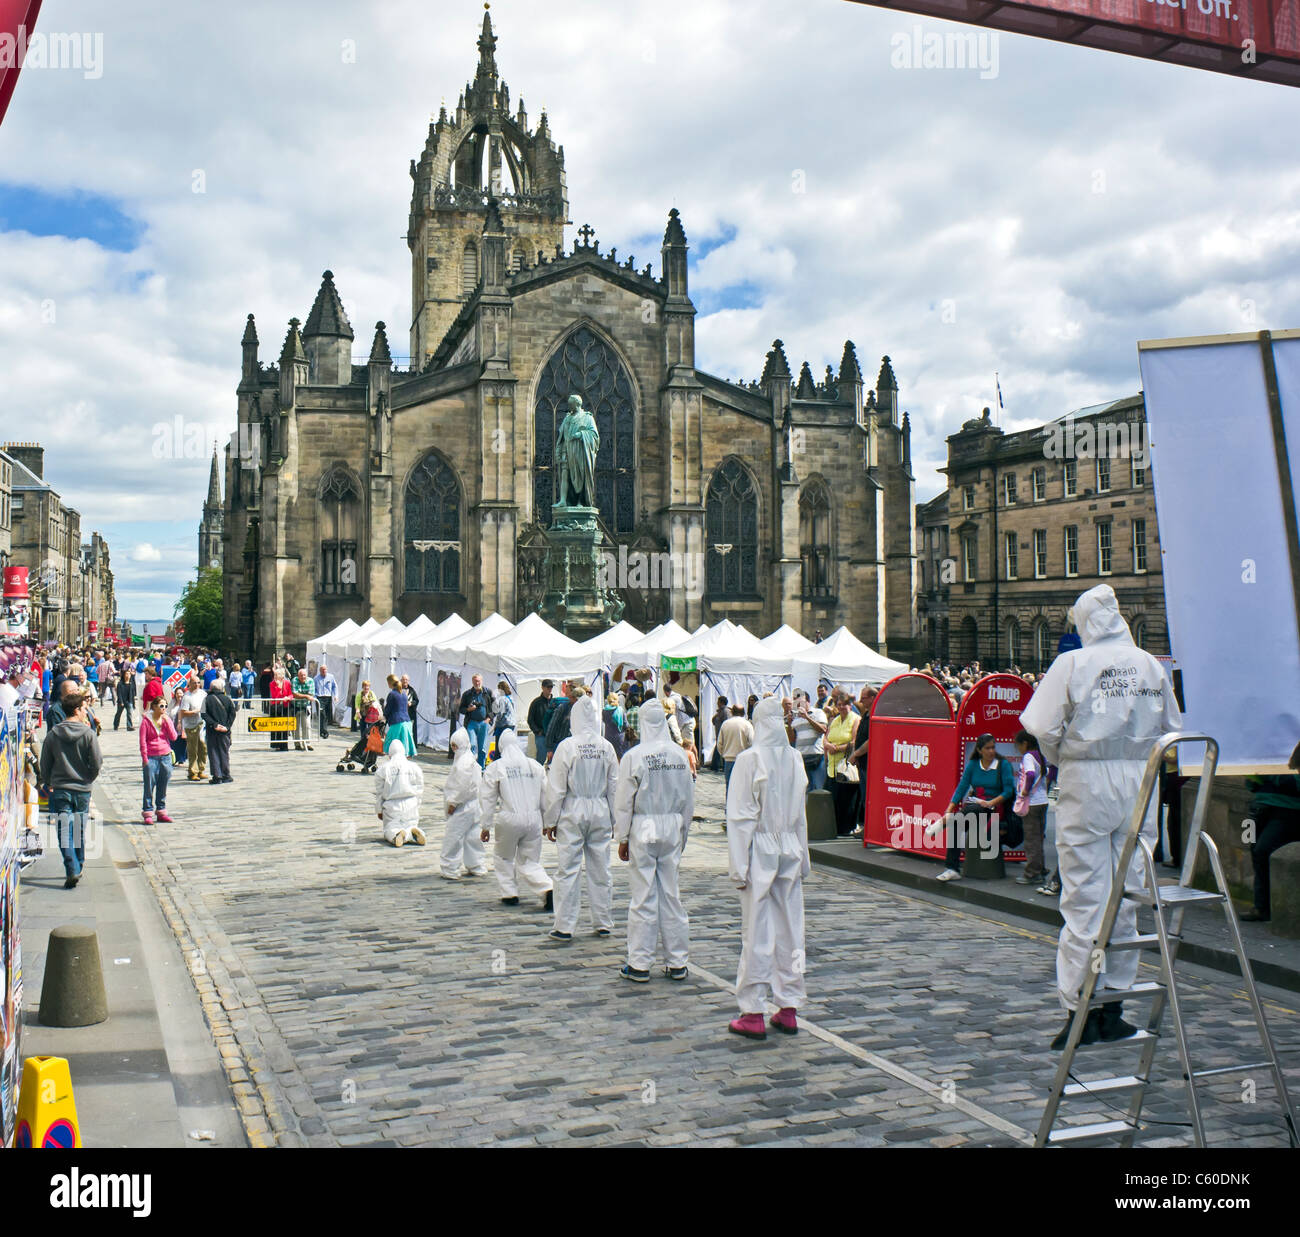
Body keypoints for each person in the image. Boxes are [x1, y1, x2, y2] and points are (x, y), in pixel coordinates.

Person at [1020, 583, 1182, 1049]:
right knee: (1127, 892)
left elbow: (1041, 727)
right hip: (1139, 779)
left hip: (1088, 778)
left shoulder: (1072, 663)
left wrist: (1064, 756)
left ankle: (1080, 1010)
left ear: (1087, 622)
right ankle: (1113, 1005)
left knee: (1085, 896)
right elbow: (1172, 728)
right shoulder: (1150, 663)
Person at [726, 696, 811, 1039]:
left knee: (757, 932)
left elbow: (740, 817)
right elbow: (801, 815)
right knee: (792, 929)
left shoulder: (749, 759)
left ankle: (753, 1009)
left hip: (760, 849)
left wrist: (738, 865)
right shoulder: (794, 757)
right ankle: (789, 1005)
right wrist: (804, 856)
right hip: (789, 845)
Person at [614, 699, 694, 983]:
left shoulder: (634, 756)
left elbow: (624, 801)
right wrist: (682, 833)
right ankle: (677, 961)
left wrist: (622, 836)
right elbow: (688, 799)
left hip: (644, 824)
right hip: (672, 823)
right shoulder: (679, 754)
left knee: (643, 895)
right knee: (671, 894)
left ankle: (639, 962)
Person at [543, 694, 618, 942]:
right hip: (599, 808)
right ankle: (603, 921)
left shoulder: (567, 746)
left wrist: (550, 820)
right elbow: (614, 786)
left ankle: (564, 925)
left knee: (568, 869)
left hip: (573, 809)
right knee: (601, 868)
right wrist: (616, 819)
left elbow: (556, 789)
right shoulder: (606, 747)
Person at [478, 729, 553, 909]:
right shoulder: (534, 766)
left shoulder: (496, 767)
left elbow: (487, 798)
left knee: (503, 857)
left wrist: (485, 826)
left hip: (509, 817)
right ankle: (547, 888)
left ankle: (509, 892)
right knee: (529, 861)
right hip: (534, 818)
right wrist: (547, 821)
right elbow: (546, 796)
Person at [38, 688, 102, 889]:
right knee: (79, 828)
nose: (86, 712)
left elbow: (45, 763)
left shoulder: (53, 734)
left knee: (64, 829)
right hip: (82, 788)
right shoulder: (88, 733)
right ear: (76, 710)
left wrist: (49, 782)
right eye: (84, 708)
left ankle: (72, 866)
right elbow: (97, 762)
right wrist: (88, 778)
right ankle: (78, 864)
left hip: (60, 788)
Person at [937, 733, 1014, 881]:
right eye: (987, 748)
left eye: (993, 747)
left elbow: (1008, 791)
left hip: (994, 807)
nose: (991, 751)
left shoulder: (1003, 765)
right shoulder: (973, 765)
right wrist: (948, 809)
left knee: (972, 810)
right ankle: (952, 868)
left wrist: (991, 803)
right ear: (979, 750)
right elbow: (962, 787)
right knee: (957, 823)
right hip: (974, 806)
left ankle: (944, 823)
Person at [1239, 741, 1300, 922]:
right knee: (1253, 849)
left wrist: (1269, 775)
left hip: (1285, 811)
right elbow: (1252, 784)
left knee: (1262, 850)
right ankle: (1261, 906)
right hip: (1258, 809)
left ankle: (1266, 906)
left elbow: (1293, 783)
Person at [440, 727, 489, 879]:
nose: (453, 748)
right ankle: (476, 865)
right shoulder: (469, 759)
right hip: (473, 805)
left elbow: (462, 785)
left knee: (453, 837)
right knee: (472, 837)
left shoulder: (463, 763)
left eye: (455, 745)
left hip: (463, 806)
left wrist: (453, 803)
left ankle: (450, 868)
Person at [1013, 729, 1050, 886]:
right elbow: (1050, 772)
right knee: (1039, 837)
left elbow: (1029, 774)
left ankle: (1032, 873)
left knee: (1031, 840)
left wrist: (1025, 790)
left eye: (1018, 745)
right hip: (1043, 801)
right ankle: (1040, 869)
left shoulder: (1028, 756)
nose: (1018, 749)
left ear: (1025, 744)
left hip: (1032, 803)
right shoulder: (1041, 755)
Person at [374, 741, 427, 847]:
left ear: (390, 753)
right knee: (411, 823)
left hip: (392, 805)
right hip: (411, 803)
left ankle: (397, 834)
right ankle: (414, 832)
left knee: (390, 827)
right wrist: (417, 803)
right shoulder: (414, 767)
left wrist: (379, 810)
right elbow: (420, 788)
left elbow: (380, 792)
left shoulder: (383, 769)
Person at [824, 692, 861, 836]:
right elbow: (825, 738)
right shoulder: (835, 720)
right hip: (832, 767)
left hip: (846, 766)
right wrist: (828, 746)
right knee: (834, 799)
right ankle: (835, 828)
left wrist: (837, 748)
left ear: (849, 705)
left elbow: (854, 741)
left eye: (844, 704)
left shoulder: (855, 719)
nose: (841, 707)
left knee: (846, 801)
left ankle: (847, 828)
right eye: (838, 705)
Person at [139, 692, 177, 824]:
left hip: (165, 756)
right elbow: (142, 740)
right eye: (161, 706)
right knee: (149, 785)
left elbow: (173, 737)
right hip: (151, 756)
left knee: (163, 784)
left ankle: (161, 810)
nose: (164, 708)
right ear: (154, 706)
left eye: (165, 706)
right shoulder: (146, 721)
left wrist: (168, 722)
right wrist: (145, 759)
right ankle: (148, 811)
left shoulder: (166, 719)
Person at [785, 688, 828, 793]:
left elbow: (823, 729)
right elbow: (792, 739)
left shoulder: (818, 712)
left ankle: (818, 809)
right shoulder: (796, 717)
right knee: (805, 789)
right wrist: (790, 725)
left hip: (817, 757)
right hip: (802, 757)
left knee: (819, 789)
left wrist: (807, 717)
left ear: (808, 701)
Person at [202, 676, 237, 785]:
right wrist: (227, 726)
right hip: (225, 731)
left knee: (213, 753)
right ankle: (226, 775)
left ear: (211, 688)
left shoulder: (206, 699)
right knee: (224, 752)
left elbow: (203, 714)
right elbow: (233, 713)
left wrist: (214, 724)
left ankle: (217, 776)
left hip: (212, 730)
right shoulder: (228, 699)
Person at [716, 704, 754, 795]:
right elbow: (752, 742)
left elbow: (719, 744)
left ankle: (729, 808)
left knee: (729, 788)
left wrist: (724, 754)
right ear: (743, 713)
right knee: (743, 788)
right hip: (743, 760)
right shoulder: (747, 724)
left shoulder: (725, 724)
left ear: (732, 712)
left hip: (729, 759)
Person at [544, 681, 585, 761]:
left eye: (568, 693)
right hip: (560, 745)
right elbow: (552, 727)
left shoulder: (582, 709)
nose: (567, 696)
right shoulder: (563, 708)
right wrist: (549, 749)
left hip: (576, 747)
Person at [459, 673, 493, 768]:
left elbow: (494, 708)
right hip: (471, 723)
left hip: (484, 723)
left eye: (478, 681)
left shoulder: (488, 693)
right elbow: (461, 709)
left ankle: (481, 768)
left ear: (481, 681)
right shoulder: (467, 694)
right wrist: (468, 709)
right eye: (475, 681)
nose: (477, 683)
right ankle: (471, 767)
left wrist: (489, 718)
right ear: (472, 682)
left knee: (482, 748)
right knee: (472, 745)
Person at [180, 673, 209, 781]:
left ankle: (201, 769)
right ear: (190, 684)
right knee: (193, 750)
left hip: (201, 723)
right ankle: (192, 772)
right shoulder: (187, 696)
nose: (197, 684)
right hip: (190, 725)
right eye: (194, 683)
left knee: (203, 748)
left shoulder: (203, 694)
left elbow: (206, 707)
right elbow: (183, 712)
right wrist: (194, 712)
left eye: (198, 682)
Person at [527, 679, 555, 765]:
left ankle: (550, 776)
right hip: (541, 735)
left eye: (551, 687)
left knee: (553, 759)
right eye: (548, 687)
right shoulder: (536, 703)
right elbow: (530, 719)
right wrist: (537, 731)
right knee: (541, 758)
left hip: (553, 735)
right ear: (542, 687)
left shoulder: (555, 702)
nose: (550, 689)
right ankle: (538, 774)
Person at [268, 665, 293, 751]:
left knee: (284, 726)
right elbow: (275, 697)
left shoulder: (287, 683)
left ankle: (284, 745)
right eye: (274, 675)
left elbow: (291, 694)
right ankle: (276, 745)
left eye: (277, 675)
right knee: (276, 726)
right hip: (275, 706)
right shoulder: (272, 684)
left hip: (285, 706)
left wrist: (288, 698)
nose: (275, 677)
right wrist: (278, 687)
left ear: (282, 676)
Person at [314, 662, 338, 740]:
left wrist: (335, 696)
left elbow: (335, 686)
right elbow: (314, 689)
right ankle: (324, 732)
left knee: (327, 715)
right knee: (322, 715)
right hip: (320, 697)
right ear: (320, 671)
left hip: (328, 697)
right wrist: (315, 697)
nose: (324, 671)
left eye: (325, 670)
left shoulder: (331, 677)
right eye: (322, 670)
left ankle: (323, 730)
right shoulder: (316, 678)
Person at [490, 681, 515, 754]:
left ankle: (498, 761)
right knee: (507, 747)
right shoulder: (510, 698)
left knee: (499, 748)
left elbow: (500, 713)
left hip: (503, 726)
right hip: (511, 725)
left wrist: (495, 724)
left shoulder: (502, 699)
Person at [709, 696, 730, 772]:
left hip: (723, 735)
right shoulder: (720, 711)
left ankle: (720, 766)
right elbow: (714, 721)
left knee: (722, 750)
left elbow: (726, 723)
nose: (717, 703)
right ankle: (715, 766)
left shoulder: (725, 711)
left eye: (718, 701)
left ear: (721, 702)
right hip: (719, 734)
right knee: (718, 750)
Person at [113, 665, 137, 731]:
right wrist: (121, 701)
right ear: (124, 675)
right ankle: (116, 725)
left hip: (129, 701)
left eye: (129, 674)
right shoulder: (120, 684)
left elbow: (133, 693)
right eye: (126, 674)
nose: (128, 675)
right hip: (122, 701)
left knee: (129, 714)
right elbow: (119, 693)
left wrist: (133, 702)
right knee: (118, 713)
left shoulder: (131, 683)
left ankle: (129, 726)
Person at [400, 674, 420, 748]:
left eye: (406, 680)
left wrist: (411, 703)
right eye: (403, 679)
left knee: (410, 730)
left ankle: (412, 745)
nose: (405, 681)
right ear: (401, 680)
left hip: (410, 714)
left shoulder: (411, 690)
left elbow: (416, 700)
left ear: (408, 681)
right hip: (401, 714)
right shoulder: (398, 689)